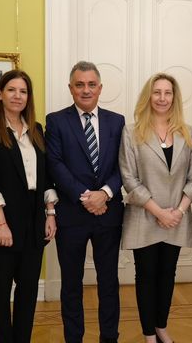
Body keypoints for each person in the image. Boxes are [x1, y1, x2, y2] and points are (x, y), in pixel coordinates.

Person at [0, 70, 57, 343]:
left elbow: (44, 178)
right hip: (2, 223)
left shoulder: (36, 129)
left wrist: (50, 214)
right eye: (11, 90)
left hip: (33, 223)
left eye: (23, 91)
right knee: (0, 296)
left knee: (28, 294)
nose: (17, 96)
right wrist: (0, 222)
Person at [45, 61, 125, 343]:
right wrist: (86, 197)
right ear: (71, 88)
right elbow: (55, 164)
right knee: (71, 285)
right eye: (79, 84)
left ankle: (109, 338)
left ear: (100, 88)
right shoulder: (56, 121)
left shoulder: (117, 121)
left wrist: (104, 193)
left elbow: (122, 166)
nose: (86, 90)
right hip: (72, 216)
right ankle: (74, 338)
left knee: (108, 283)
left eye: (91, 84)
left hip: (109, 214)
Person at [118, 73, 192, 343]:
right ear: (148, 96)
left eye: (167, 92)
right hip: (145, 216)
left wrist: (178, 211)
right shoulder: (132, 132)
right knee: (146, 276)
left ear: (174, 97)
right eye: (157, 92)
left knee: (167, 275)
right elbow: (129, 178)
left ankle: (162, 326)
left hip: (177, 217)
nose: (162, 98)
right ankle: (149, 334)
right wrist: (159, 212)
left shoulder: (188, 132)